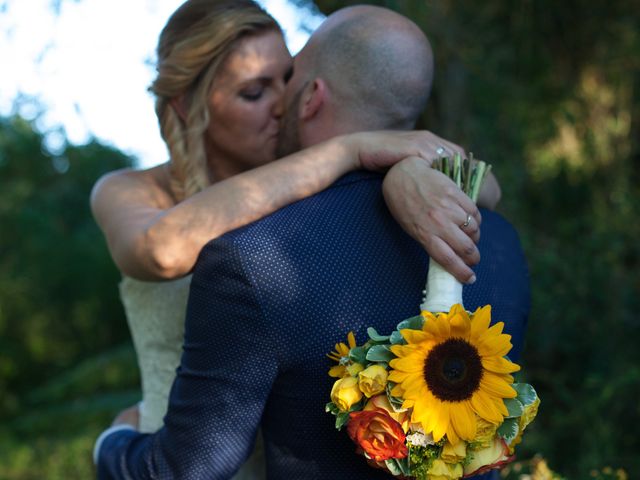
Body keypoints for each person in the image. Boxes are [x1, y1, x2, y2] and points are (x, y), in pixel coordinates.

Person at [94, 5, 529, 479]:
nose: (284, 103)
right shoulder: (131, 190)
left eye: (287, 77)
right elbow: (161, 250)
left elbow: (488, 187)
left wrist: (403, 170)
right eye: (255, 92)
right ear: (186, 104)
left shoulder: (313, 193)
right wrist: (349, 148)